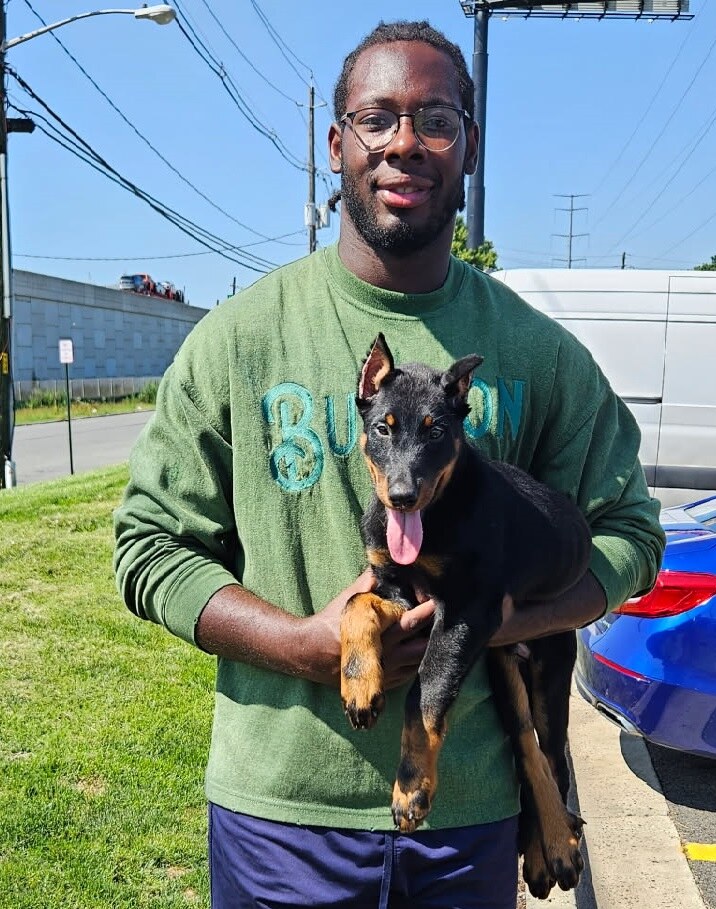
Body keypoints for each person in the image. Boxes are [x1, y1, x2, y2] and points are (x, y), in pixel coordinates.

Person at [114, 20, 665, 909]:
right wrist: (300, 645)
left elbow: (630, 533)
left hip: (468, 823)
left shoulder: (541, 354)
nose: (404, 142)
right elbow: (149, 547)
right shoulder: (236, 341)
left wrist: (502, 617)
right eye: (377, 119)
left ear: (469, 147)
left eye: (435, 120)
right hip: (280, 819)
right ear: (337, 145)